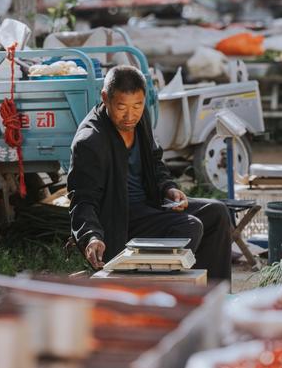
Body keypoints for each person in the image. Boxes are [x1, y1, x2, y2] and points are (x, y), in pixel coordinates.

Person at [68, 66, 233, 280]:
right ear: (105, 98)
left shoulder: (140, 118)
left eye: (137, 105)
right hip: (119, 220)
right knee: (190, 226)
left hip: (150, 205)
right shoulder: (90, 141)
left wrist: (169, 188)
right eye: (121, 107)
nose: (130, 115)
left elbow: (154, 162)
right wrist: (91, 237)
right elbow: (82, 200)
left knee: (218, 212)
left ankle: (214, 296)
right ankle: (169, 296)